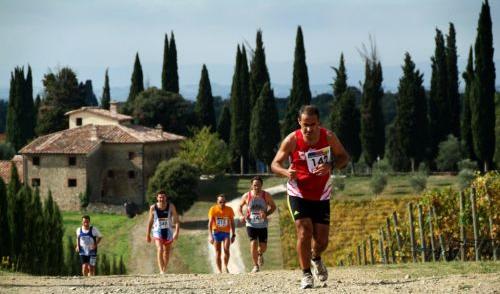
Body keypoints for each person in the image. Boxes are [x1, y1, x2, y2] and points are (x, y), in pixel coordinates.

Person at [271, 105, 349, 289]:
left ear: (318, 123)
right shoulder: (292, 140)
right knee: (304, 230)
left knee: (322, 241)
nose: (309, 129)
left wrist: (331, 165)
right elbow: (274, 164)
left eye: (312, 124)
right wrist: (285, 172)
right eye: (305, 124)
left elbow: (344, 158)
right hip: (298, 191)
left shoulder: (328, 137)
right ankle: (306, 275)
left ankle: (316, 257)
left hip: (321, 193)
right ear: (299, 122)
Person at [238, 176, 276, 273]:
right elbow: (239, 206)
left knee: (263, 247)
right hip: (251, 223)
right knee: (253, 242)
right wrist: (241, 216)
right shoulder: (247, 196)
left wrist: (266, 214)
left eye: (258, 185)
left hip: (262, 224)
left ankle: (260, 254)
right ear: (251, 186)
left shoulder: (266, 195)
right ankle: (255, 265)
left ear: (261, 185)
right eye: (255, 185)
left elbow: (273, 207)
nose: (256, 187)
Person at [146, 190, 180, 274]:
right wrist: (148, 234)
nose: (161, 199)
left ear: (166, 197)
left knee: (167, 252)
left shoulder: (171, 206)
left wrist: (177, 232)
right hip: (157, 231)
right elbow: (150, 221)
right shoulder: (153, 208)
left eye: (163, 197)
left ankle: (164, 269)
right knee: (160, 249)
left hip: (168, 232)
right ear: (157, 198)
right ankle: (161, 270)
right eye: (160, 197)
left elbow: (176, 220)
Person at [208, 194, 236, 273]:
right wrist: (210, 236)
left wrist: (233, 234)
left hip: (226, 233)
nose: (222, 203)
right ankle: (219, 271)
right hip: (216, 233)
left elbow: (232, 222)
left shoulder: (229, 209)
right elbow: (210, 223)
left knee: (226, 249)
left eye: (224, 202)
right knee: (218, 252)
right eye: (220, 202)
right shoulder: (213, 209)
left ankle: (225, 267)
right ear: (217, 202)